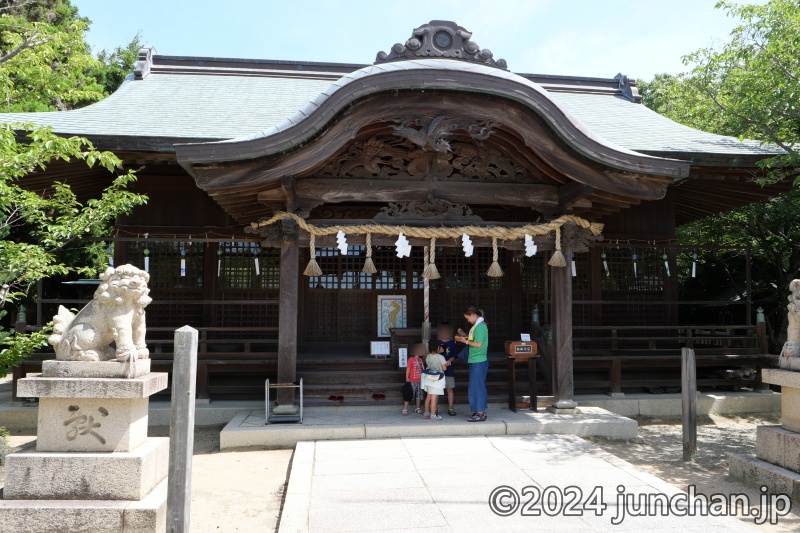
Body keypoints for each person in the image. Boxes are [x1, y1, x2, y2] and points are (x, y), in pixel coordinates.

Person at [455, 306, 489, 422]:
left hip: (478, 361)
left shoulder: (479, 327)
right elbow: (473, 339)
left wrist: (466, 341)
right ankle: (480, 411)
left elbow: (478, 343)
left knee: (476, 387)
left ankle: (479, 413)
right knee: (478, 386)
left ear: (473, 315)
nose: (468, 321)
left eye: (468, 318)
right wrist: (463, 334)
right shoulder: (479, 326)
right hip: (478, 360)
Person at [421, 340, 446, 420]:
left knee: (428, 396)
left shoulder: (428, 356)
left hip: (429, 378)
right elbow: (444, 368)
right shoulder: (441, 357)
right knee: (434, 398)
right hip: (437, 379)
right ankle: (433, 415)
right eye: (440, 346)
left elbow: (428, 365)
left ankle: (426, 412)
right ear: (437, 347)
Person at [437, 323, 458, 416]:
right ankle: (435, 407)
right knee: (436, 389)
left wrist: (449, 360)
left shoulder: (452, 343)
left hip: (448, 369)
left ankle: (451, 407)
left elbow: (454, 355)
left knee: (450, 389)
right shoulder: (437, 342)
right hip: (438, 369)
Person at [402, 342, 425, 415]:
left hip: (420, 380)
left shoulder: (421, 360)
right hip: (412, 380)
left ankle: (417, 408)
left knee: (419, 395)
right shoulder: (411, 359)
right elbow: (408, 369)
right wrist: (407, 377)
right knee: (409, 394)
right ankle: (405, 408)